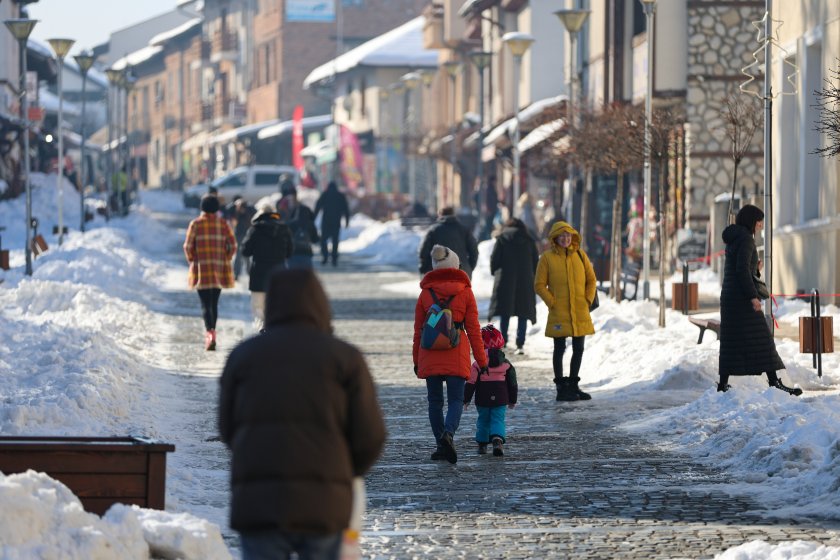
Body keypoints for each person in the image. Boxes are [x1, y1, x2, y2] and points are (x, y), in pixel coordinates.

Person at [219, 268, 386, 560]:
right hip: (325, 504)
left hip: (259, 506)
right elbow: (371, 436)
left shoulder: (243, 357)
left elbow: (227, 428)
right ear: (320, 304)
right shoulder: (345, 359)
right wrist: (344, 472)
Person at [413, 245, 488, 464]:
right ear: (455, 266)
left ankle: (440, 444)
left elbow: (418, 331)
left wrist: (417, 360)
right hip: (456, 351)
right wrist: (482, 361)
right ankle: (449, 434)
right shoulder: (465, 292)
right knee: (456, 399)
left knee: (434, 402)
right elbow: (474, 329)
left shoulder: (426, 294)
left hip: (429, 352)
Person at [718, 204, 802, 395]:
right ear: (752, 221)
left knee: (731, 340)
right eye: (759, 221)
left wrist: (755, 268)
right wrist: (753, 297)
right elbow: (741, 270)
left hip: (730, 297)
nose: (761, 225)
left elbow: (740, 267)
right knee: (762, 338)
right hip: (741, 298)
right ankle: (774, 383)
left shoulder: (735, 237)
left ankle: (723, 384)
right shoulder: (746, 239)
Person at [534, 221, 597, 402]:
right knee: (559, 348)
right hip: (559, 311)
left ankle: (573, 385)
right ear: (555, 238)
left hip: (579, 310)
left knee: (579, 348)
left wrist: (587, 299)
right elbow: (539, 285)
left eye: (568, 236)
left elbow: (591, 280)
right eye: (562, 236)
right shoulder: (546, 258)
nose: (565, 239)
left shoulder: (580, 255)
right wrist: (552, 302)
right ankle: (561, 387)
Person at [183, 194, 237, 351]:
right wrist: (225, 258)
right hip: (219, 270)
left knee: (205, 304)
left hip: (202, 270)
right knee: (214, 303)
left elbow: (187, 246)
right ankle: (213, 332)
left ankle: (210, 333)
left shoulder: (196, 224)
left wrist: (193, 260)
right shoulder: (223, 224)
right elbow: (233, 245)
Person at [463, 325, 518, 457]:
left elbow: (471, 383)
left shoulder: (477, 364)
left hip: (482, 398)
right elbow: (513, 383)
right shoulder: (506, 364)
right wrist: (512, 400)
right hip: (500, 398)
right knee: (498, 419)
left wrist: (466, 400)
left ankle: (482, 445)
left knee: (483, 420)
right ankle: (497, 440)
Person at [488, 218, 539, 355]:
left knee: (505, 311)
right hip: (525, 281)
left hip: (505, 279)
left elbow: (495, 259)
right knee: (523, 312)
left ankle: (503, 340)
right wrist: (533, 276)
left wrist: (495, 272)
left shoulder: (502, 239)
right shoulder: (529, 240)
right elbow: (536, 262)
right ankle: (520, 343)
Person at [240, 202, 293, 331]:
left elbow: (245, 251)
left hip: (259, 274)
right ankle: (272, 327)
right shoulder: (284, 229)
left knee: (258, 306)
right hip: (279, 274)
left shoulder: (255, 229)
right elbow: (289, 252)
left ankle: (264, 326)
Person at [418, 207, 479, 279]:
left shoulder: (433, 231)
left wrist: (424, 269)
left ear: (440, 215)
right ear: (454, 215)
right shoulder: (464, 230)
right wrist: (469, 268)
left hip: (437, 274)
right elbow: (474, 251)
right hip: (462, 273)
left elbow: (424, 252)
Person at [279, 182, 319, 269]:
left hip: (291, 254)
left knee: (292, 281)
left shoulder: (282, 211)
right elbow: (315, 237)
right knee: (306, 281)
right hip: (306, 253)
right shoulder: (306, 212)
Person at [314, 181, 351, 267]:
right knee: (335, 240)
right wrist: (347, 221)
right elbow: (346, 209)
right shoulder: (340, 196)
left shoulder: (325, 194)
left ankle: (325, 256)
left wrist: (313, 217)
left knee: (323, 240)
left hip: (326, 221)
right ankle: (334, 258)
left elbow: (318, 205)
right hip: (336, 221)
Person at [226, 197, 256, 280]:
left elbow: (255, 212)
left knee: (246, 255)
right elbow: (227, 210)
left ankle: (249, 273)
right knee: (239, 255)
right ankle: (236, 273)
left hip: (246, 235)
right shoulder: (235, 211)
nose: (241, 209)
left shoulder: (249, 210)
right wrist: (236, 204)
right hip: (239, 235)